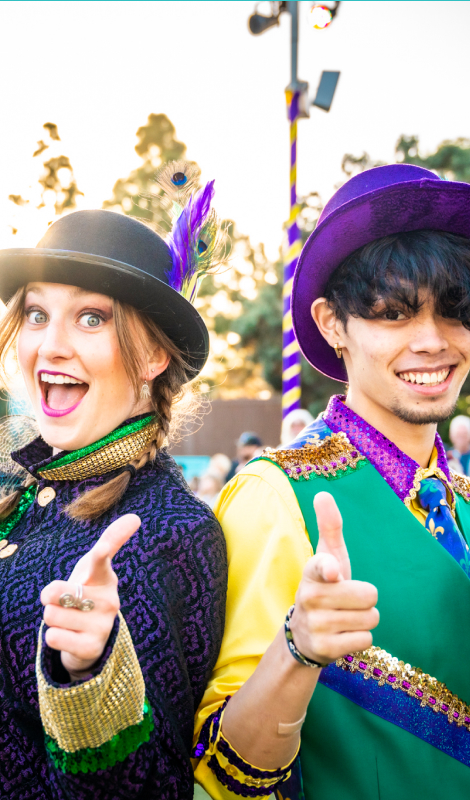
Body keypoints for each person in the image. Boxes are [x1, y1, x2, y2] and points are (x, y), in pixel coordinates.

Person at [192, 164, 470, 799]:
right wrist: (297, 650)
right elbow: (220, 771)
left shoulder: (463, 500)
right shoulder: (274, 495)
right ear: (332, 323)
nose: (433, 341)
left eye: (457, 311)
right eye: (393, 314)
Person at [0, 160, 227, 799]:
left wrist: (90, 673)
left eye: (92, 318)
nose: (50, 345)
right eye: (37, 314)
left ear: (153, 355)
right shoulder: (20, 490)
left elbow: (155, 786)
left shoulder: (171, 532)